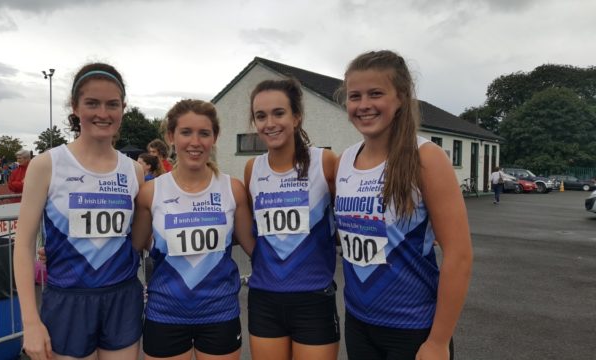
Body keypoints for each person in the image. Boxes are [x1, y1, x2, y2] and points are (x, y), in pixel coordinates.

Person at [335, 50, 473, 360]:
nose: (363, 105)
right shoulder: (345, 159)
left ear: (400, 98)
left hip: (413, 328)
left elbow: (459, 256)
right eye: (354, 96)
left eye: (376, 94)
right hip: (358, 324)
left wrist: (439, 341)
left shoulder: (426, 157)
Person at [14, 63, 145, 360]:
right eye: (92, 103)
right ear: (75, 107)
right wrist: (30, 322)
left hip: (122, 298)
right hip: (68, 300)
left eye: (112, 104)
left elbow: (139, 239)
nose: (103, 113)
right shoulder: (47, 165)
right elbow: (22, 247)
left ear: (123, 108)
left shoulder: (133, 171)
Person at [132, 99, 255, 360]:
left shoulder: (232, 189)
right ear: (171, 136)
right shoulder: (150, 192)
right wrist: (53, 253)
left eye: (204, 133)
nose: (195, 142)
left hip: (219, 312)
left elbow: (253, 246)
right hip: (165, 312)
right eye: (186, 132)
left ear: (215, 137)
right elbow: (132, 245)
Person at [244, 78, 340, 360]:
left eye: (279, 113)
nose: (269, 123)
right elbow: (256, 229)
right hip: (265, 298)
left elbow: (342, 221)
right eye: (261, 116)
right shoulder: (253, 169)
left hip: (313, 296)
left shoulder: (325, 162)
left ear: (296, 117)